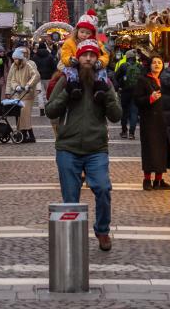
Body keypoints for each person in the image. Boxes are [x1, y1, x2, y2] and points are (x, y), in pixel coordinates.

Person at [45, 39, 122, 251]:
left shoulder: (104, 81)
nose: (88, 58)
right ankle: (72, 235)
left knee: (103, 188)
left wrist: (106, 94)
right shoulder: (66, 79)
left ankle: (102, 230)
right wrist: (67, 93)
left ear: (98, 58)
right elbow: (51, 110)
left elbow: (116, 116)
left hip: (96, 148)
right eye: (84, 55)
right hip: (68, 147)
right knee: (70, 197)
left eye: (92, 55)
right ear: (77, 57)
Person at [137, 54, 170, 191]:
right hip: (149, 120)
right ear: (149, 65)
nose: (157, 65)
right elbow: (137, 100)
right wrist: (150, 98)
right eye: (154, 62)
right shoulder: (143, 80)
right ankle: (147, 180)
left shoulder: (165, 80)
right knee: (150, 150)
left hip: (163, 120)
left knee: (162, 150)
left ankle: (158, 180)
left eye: (160, 63)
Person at [4, 47, 42, 142]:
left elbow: (36, 76)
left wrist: (29, 85)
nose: (15, 60)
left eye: (16, 59)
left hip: (28, 94)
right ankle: (25, 135)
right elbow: (11, 79)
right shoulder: (14, 65)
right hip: (18, 94)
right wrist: (14, 86)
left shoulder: (29, 64)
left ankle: (25, 135)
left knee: (24, 114)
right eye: (14, 59)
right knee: (21, 115)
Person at [113, 43, 142, 139]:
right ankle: (132, 133)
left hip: (125, 91)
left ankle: (124, 131)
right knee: (134, 112)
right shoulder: (139, 67)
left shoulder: (123, 66)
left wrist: (118, 87)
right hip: (136, 92)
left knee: (124, 112)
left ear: (127, 57)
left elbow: (115, 77)